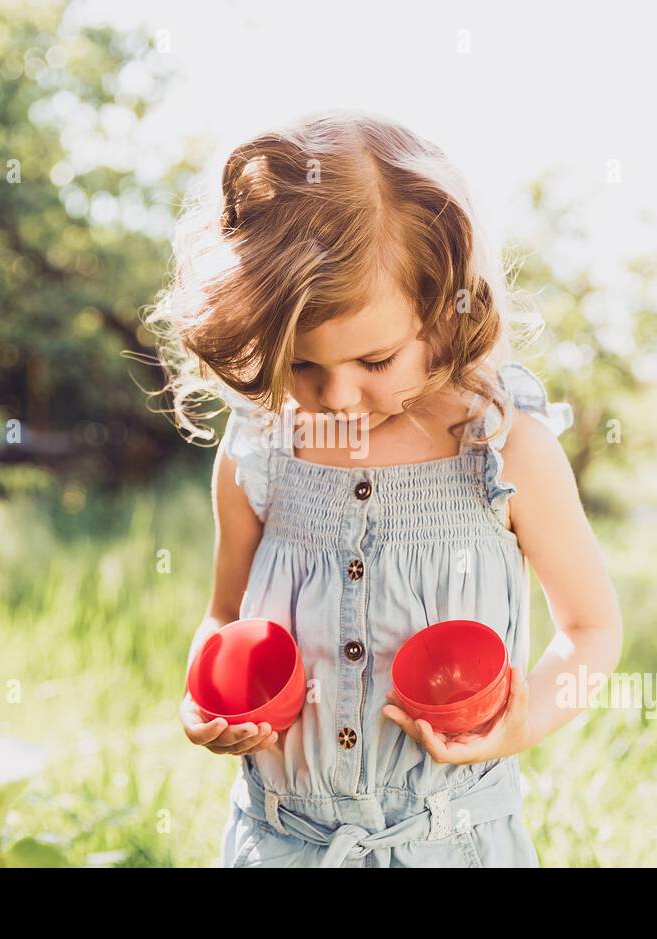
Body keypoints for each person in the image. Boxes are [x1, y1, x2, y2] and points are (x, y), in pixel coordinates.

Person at [148, 109, 624, 867]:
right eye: (304, 366)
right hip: (282, 843)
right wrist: (201, 700)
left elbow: (593, 630)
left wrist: (521, 728)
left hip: (452, 843)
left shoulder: (503, 452)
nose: (336, 397)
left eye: (375, 361)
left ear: (441, 309)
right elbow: (223, 616)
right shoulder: (260, 452)